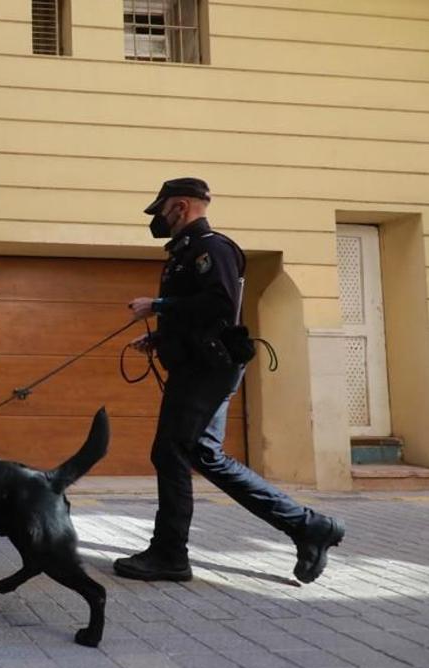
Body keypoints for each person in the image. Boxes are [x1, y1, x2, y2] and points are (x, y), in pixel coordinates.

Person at [117, 178, 345, 583]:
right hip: (202, 364)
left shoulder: (211, 248)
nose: (159, 219)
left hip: (206, 369)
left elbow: (222, 303)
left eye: (162, 210)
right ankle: (309, 527)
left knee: (170, 451)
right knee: (205, 456)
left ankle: (170, 554)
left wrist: (157, 305)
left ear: (181, 206)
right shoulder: (188, 251)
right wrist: (159, 336)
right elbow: (201, 313)